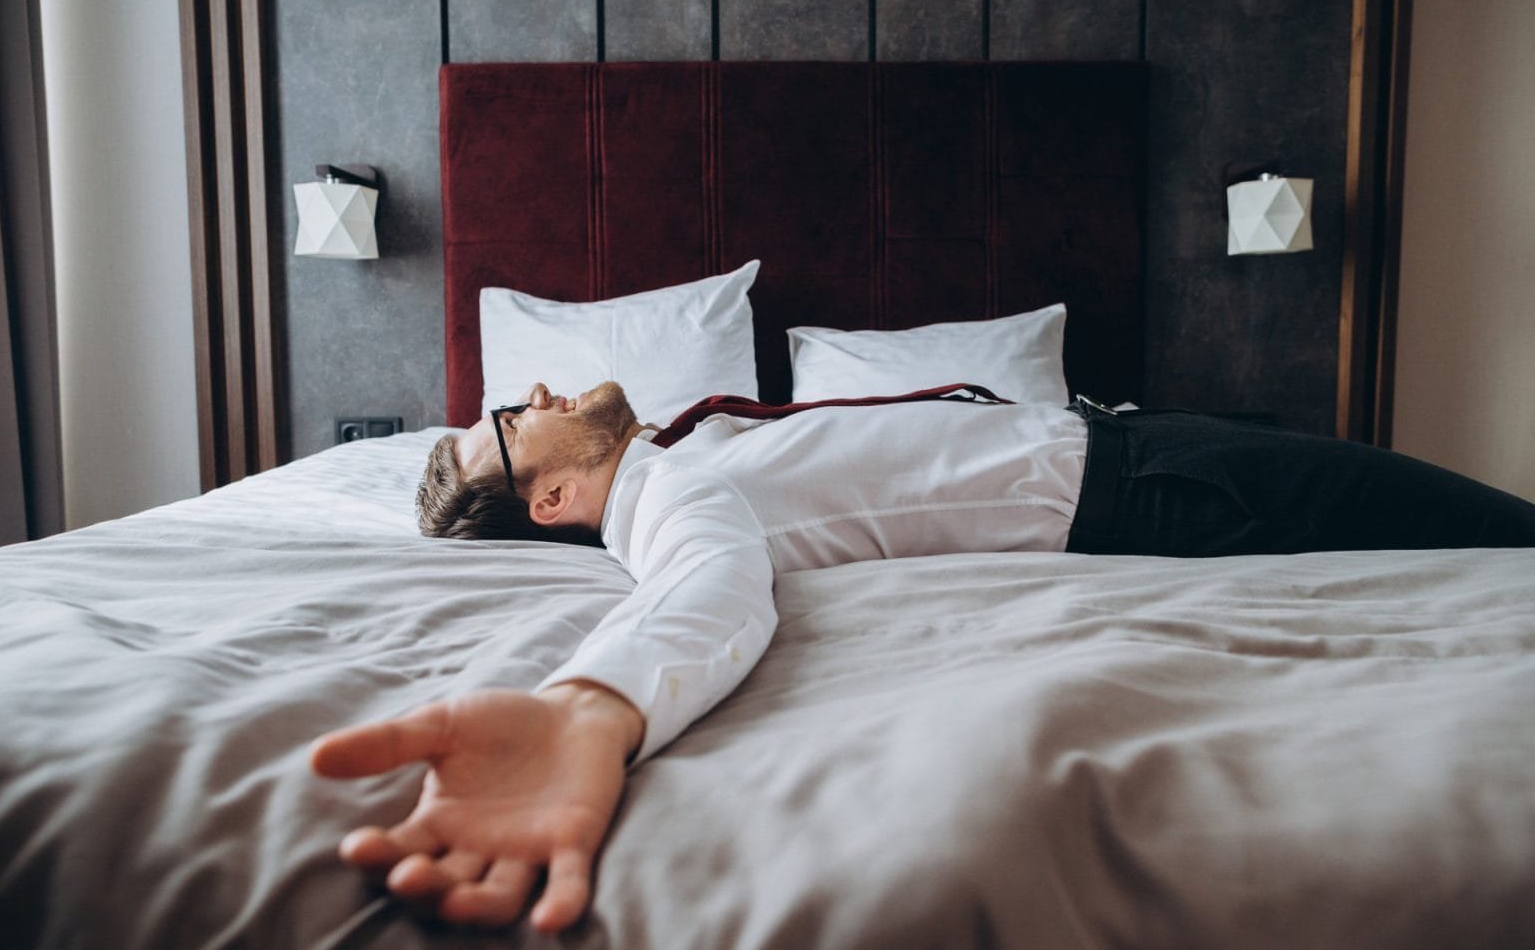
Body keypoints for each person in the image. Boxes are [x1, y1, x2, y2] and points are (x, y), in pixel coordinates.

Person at [309, 380, 1535, 933]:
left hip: (1134, 453)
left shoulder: (666, 461)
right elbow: (706, 583)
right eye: (512, 422)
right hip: (1150, 486)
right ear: (562, 492)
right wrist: (592, 704)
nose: (528, 388)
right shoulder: (664, 493)